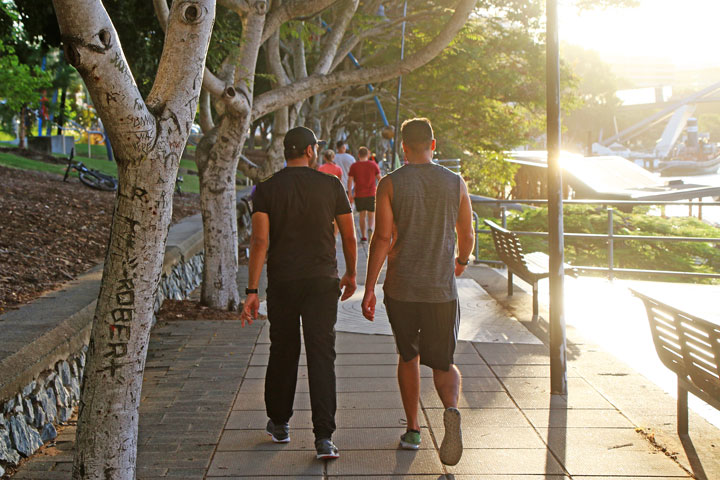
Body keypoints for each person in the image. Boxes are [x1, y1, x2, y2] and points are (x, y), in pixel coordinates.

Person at [360, 118, 474, 466]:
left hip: (402, 289)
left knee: (408, 357)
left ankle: (413, 430)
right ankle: (451, 408)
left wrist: (369, 289)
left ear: (403, 148)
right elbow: (466, 233)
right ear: (433, 144)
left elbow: (381, 238)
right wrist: (462, 261)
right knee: (443, 363)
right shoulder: (455, 183)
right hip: (441, 290)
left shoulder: (389, 184)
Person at [241, 126, 357, 461]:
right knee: (322, 354)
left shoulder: (266, 189)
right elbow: (348, 237)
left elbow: (259, 242)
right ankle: (324, 437)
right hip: (322, 280)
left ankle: (279, 423)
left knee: (283, 351)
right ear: (309, 151)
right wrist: (350, 273)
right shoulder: (331, 185)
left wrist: (252, 290)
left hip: (283, 281)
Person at [347, 146, 382, 242]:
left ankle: (363, 237)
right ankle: (370, 227)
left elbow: (350, 180)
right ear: (368, 155)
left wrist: (350, 193)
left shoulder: (354, 166)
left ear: (358, 155)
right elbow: (380, 178)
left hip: (359, 194)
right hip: (371, 193)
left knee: (362, 215)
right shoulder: (373, 164)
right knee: (371, 214)